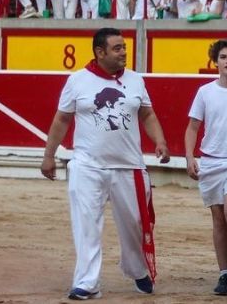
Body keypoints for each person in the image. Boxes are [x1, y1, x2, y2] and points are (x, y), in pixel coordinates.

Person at [40, 28, 170, 300]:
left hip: (129, 166)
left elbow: (147, 113)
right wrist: (49, 155)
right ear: (100, 52)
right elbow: (61, 119)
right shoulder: (77, 80)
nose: (124, 52)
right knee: (86, 224)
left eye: (124, 47)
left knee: (135, 223)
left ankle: (137, 270)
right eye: (117, 48)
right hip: (88, 165)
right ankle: (87, 283)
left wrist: (160, 140)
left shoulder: (135, 80)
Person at [184, 39, 227, 295]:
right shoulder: (205, 91)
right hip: (211, 160)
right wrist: (190, 157)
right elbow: (192, 127)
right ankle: (224, 272)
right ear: (216, 61)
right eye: (223, 57)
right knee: (218, 218)